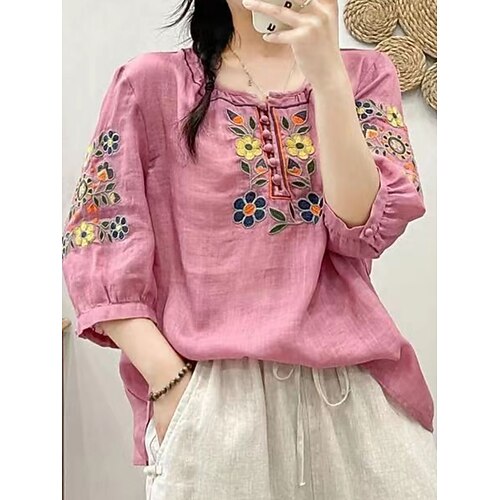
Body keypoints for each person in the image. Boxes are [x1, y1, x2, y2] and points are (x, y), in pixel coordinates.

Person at [62, 0, 437, 498]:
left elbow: (361, 226)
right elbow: (98, 239)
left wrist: (328, 76)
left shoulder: (366, 75)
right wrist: (172, 385)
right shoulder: (151, 84)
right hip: (215, 399)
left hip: (352, 395)